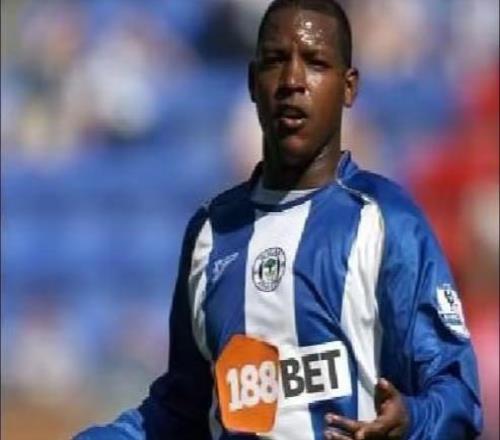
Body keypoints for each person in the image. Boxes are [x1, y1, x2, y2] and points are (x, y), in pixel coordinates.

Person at [75, 1, 483, 439]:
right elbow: (181, 410)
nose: (292, 81)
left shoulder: (386, 220)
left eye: (315, 63)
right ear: (253, 82)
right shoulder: (212, 232)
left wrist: (413, 420)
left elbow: (458, 394)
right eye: (275, 61)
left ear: (348, 87)